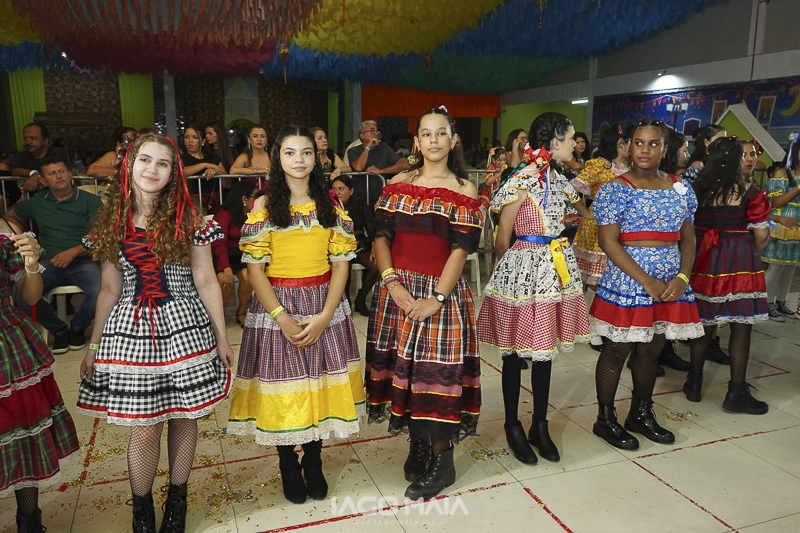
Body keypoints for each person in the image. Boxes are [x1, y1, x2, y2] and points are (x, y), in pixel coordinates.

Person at [75, 133, 234, 532]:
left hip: (184, 327)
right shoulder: (112, 221)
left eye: (162, 163)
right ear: (129, 165)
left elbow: (206, 280)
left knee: (184, 417)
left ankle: (177, 502)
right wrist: (93, 345)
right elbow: (109, 289)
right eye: (145, 160)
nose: (152, 169)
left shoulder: (189, 218)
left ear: (173, 172)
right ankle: (142, 510)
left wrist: (221, 336)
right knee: (144, 427)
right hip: (132, 332)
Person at [228, 125, 365, 505]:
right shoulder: (264, 204)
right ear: (278, 158)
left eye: (306, 152)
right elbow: (255, 270)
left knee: (317, 383)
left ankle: (314, 460)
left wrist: (325, 315)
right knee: (283, 386)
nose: (299, 160)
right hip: (277, 307)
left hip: (324, 304)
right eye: (290, 152)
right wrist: (281, 317)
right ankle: (288, 461)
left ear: (317, 158)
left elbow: (341, 264)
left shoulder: (331, 204)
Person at [365, 106, 482, 501]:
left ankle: (443, 462)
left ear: (453, 140)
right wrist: (392, 284)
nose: (433, 140)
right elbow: (381, 236)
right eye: (426, 133)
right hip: (396, 291)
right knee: (407, 373)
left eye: (441, 133)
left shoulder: (464, 189)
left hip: (440, 295)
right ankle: (417, 444)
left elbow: (461, 249)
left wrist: (436, 298)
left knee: (436, 380)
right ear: (416, 141)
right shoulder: (398, 182)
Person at [477, 112, 592, 465]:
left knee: (545, 350)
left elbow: (583, 213)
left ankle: (539, 424)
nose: (575, 145)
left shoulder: (560, 180)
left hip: (554, 268)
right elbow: (503, 238)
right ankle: (512, 424)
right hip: (523, 268)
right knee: (513, 352)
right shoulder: (522, 179)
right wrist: (507, 281)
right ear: (555, 142)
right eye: (571, 139)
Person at [589, 119, 704, 450]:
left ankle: (640, 413)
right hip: (630, 279)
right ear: (629, 146)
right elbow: (609, 242)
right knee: (617, 349)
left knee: (652, 347)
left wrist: (683, 277)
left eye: (654, 144)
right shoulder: (615, 188)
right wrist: (647, 281)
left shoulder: (680, 187)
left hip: (670, 281)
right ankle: (605, 419)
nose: (645, 150)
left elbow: (688, 237)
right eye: (639, 142)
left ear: (665, 148)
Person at [0, 221, 80, 532]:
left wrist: (32, 264)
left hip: (5, 344)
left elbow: (30, 297)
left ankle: (29, 521)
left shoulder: (4, 234)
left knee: (20, 430)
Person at [684, 137, 771, 414]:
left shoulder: (697, 190)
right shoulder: (750, 192)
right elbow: (761, 236)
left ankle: (693, 382)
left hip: (703, 260)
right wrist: (751, 248)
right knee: (741, 326)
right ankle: (736, 392)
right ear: (735, 160)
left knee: (704, 322)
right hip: (739, 262)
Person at [4, 154, 102, 354]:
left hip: (85, 261)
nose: (59, 176)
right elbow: (9, 217)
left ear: (69, 174)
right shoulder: (38, 202)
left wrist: (73, 252)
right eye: (52, 173)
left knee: (103, 290)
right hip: (49, 262)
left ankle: (79, 326)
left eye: (62, 171)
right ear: (43, 180)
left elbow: (101, 235)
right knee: (20, 294)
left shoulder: (90, 200)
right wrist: (23, 237)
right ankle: (59, 330)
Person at [761, 134, 800, 321]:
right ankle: (766, 304)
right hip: (781, 225)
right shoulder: (782, 173)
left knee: (790, 267)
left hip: (797, 227)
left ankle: (781, 303)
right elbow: (776, 202)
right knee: (775, 267)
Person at [331, 174, 378, 316]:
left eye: (341, 189)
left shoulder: (360, 203)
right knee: (343, 266)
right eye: (334, 189)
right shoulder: (329, 206)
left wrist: (374, 249)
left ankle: (361, 299)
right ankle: (346, 304)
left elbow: (371, 229)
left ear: (351, 190)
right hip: (336, 247)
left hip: (358, 244)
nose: (337, 192)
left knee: (375, 265)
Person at [212, 180, 257, 327]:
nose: (256, 200)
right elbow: (219, 243)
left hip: (241, 256)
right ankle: (217, 316)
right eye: (254, 196)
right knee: (225, 280)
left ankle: (241, 312)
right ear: (244, 199)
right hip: (222, 255)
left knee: (248, 276)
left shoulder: (253, 214)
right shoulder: (224, 213)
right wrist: (226, 268)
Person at [11, 123, 70, 198]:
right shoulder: (20, 155)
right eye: (25, 138)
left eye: (33, 138)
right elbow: (15, 170)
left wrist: (40, 178)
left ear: (45, 140)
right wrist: (34, 174)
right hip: (33, 200)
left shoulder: (57, 152)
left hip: (59, 197)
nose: (28, 142)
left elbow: (56, 170)